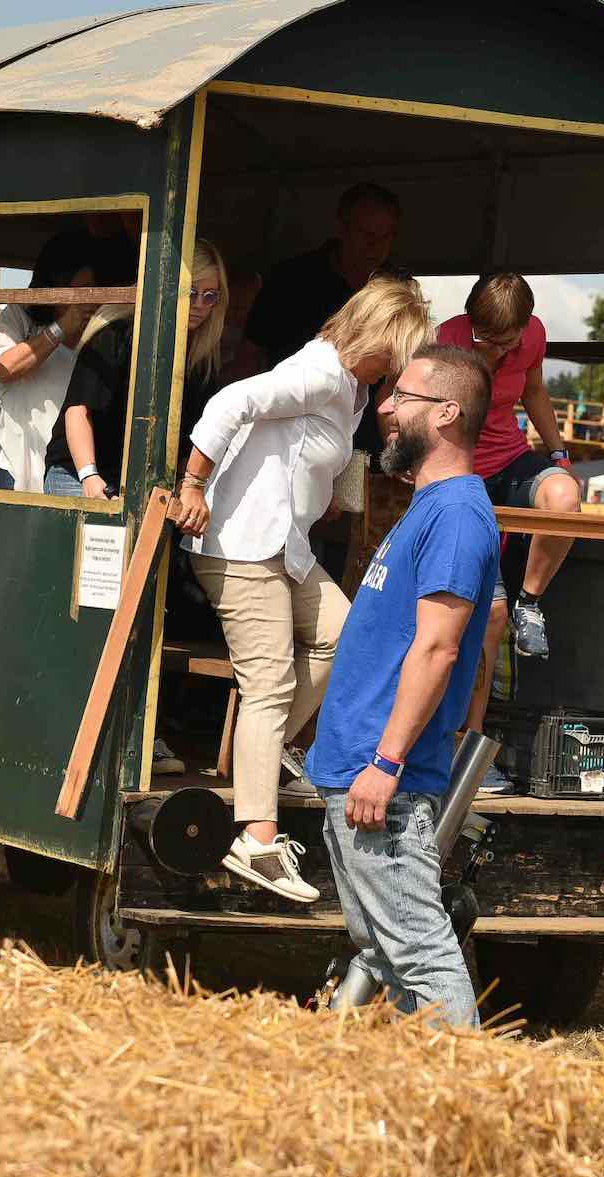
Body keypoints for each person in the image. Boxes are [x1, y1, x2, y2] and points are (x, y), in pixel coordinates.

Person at [174, 274, 435, 902]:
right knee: (268, 683)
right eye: (395, 353)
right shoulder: (320, 372)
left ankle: (262, 757)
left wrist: (326, 492)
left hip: (283, 546)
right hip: (243, 544)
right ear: (374, 336)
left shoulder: (351, 386)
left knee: (345, 636)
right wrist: (192, 486)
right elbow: (229, 403)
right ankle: (256, 840)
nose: (397, 370)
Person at [304, 343, 500, 1026]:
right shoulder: (429, 508)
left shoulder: (456, 515)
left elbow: (440, 649)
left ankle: (461, 1087)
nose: (385, 407)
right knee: (384, 950)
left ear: (447, 413)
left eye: (404, 397)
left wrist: (386, 763)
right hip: (356, 769)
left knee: (420, 952)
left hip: (383, 776)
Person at [434, 273, 578, 664]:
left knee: (564, 497)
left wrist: (559, 455)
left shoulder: (534, 335)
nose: (497, 350)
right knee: (490, 616)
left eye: (507, 342)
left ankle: (529, 604)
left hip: (510, 457)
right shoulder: (447, 338)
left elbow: (533, 391)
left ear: (524, 328)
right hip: (462, 471)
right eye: (486, 340)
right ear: (470, 322)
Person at [49, 241, 228, 499]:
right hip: (77, 472)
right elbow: (78, 410)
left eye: (210, 296)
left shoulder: (200, 359)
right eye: (190, 292)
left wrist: (187, 484)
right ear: (167, 288)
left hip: (139, 485)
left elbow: (195, 437)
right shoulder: (117, 333)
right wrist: (89, 476)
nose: (200, 303)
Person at [241, 182, 401, 458]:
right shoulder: (290, 280)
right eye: (366, 234)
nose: (375, 246)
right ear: (342, 229)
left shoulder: (396, 290)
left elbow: (396, 382)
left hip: (365, 442)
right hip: (289, 436)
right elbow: (249, 358)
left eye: (385, 237)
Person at [0, 230, 99, 491]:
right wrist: (61, 328)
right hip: (16, 459)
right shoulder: (19, 315)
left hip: (68, 469)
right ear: (57, 284)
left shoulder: (99, 330)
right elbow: (3, 370)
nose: (88, 300)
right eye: (80, 292)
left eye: (93, 291)